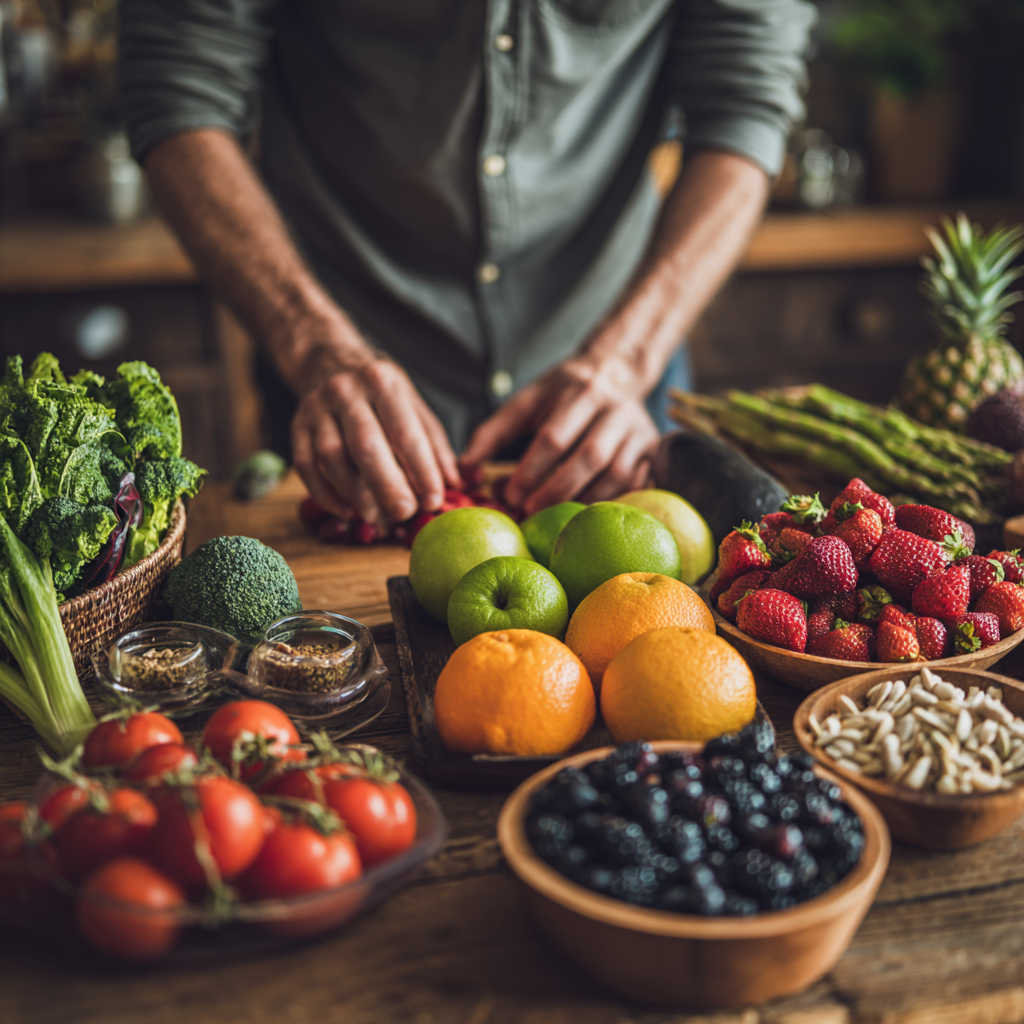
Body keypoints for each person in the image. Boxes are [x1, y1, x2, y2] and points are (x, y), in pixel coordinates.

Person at [119, 0, 814, 522]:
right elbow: (181, 86)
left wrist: (626, 360)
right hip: (336, 365)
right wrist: (315, 345)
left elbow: (744, 103)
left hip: (617, 377)